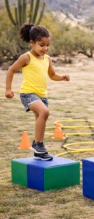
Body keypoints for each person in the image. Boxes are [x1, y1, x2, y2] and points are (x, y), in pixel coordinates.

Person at [5, 23, 70, 161]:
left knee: (41, 120)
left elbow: (52, 75)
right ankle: (38, 144)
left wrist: (62, 77)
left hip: (42, 95)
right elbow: (11, 70)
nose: (45, 48)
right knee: (45, 112)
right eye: (42, 45)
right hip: (28, 94)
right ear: (32, 43)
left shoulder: (47, 59)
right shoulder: (26, 57)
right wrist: (8, 89)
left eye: (48, 45)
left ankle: (38, 151)